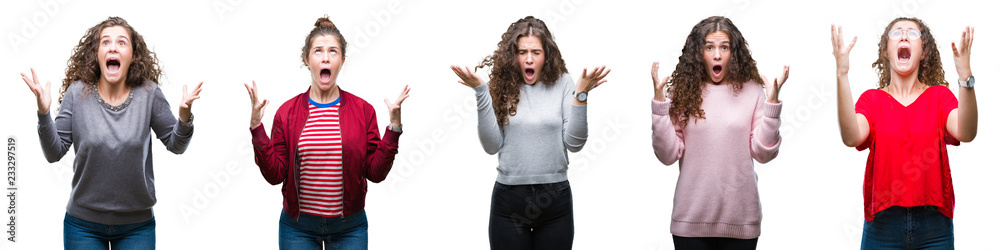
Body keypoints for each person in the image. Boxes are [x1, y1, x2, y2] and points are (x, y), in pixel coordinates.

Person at [22, 16, 203, 249]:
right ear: (96, 54)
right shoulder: (76, 93)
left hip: (137, 227)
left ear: (133, 55)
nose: (113, 48)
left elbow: (175, 145)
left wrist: (185, 118)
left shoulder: (149, 94)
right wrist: (43, 113)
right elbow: (53, 153)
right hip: (82, 226)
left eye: (121, 42)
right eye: (105, 42)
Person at [245, 15, 410, 250]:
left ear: (342, 60)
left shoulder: (363, 110)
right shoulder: (286, 112)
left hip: (350, 227)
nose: (325, 57)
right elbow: (274, 175)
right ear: (307, 59)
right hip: (297, 227)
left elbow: (375, 173)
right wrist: (257, 129)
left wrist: (393, 128)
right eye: (318, 51)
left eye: (333, 51)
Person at [450, 16, 609, 250]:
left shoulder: (564, 83)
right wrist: (481, 91)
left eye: (536, 52)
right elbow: (491, 146)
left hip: (555, 199)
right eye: (522, 52)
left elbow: (574, 144)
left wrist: (581, 95)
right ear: (513, 54)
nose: (529, 59)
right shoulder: (502, 85)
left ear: (547, 54)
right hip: (509, 202)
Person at [832, 17, 978, 249]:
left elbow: (967, 132)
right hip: (882, 227)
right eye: (896, 33)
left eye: (912, 33)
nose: (903, 36)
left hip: (935, 228)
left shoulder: (939, 97)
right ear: (886, 52)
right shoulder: (872, 100)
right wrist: (842, 75)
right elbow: (851, 137)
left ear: (923, 53)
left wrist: (965, 78)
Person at [650, 16, 789, 250]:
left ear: (734, 52)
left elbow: (764, 154)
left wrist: (772, 106)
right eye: (709, 47)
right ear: (698, 53)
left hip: (741, 221)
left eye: (724, 47)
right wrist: (660, 106)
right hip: (691, 221)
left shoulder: (753, 91)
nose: (717, 55)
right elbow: (667, 155)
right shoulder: (682, 92)